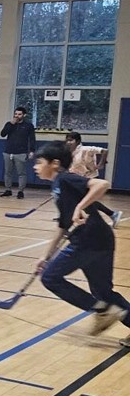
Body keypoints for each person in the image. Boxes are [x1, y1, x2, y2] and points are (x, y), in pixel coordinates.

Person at [31, 142, 130, 349]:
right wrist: (46, 256)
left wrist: (79, 206)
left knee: (50, 278)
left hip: (88, 239)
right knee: (104, 292)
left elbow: (102, 184)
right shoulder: (57, 184)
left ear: (55, 163)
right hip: (101, 239)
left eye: (39, 163)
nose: (35, 167)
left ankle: (102, 311)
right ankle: (106, 308)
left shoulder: (65, 178)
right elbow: (63, 224)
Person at [66, 132, 120, 227]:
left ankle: (108, 216)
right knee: (85, 202)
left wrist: (101, 163)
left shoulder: (86, 149)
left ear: (78, 141)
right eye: (67, 140)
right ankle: (112, 214)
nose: (68, 142)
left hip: (92, 179)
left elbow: (104, 150)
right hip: (81, 180)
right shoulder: (70, 152)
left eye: (71, 140)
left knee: (85, 202)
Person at [0, 106, 36, 199]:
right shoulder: (9, 124)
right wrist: (10, 125)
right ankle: (8, 190)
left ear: (24, 115)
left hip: (20, 152)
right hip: (8, 151)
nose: (17, 116)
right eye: (15, 114)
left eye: (19, 114)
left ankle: (20, 191)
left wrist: (31, 151)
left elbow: (32, 139)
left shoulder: (28, 126)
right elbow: (3, 134)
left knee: (21, 173)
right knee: (7, 172)